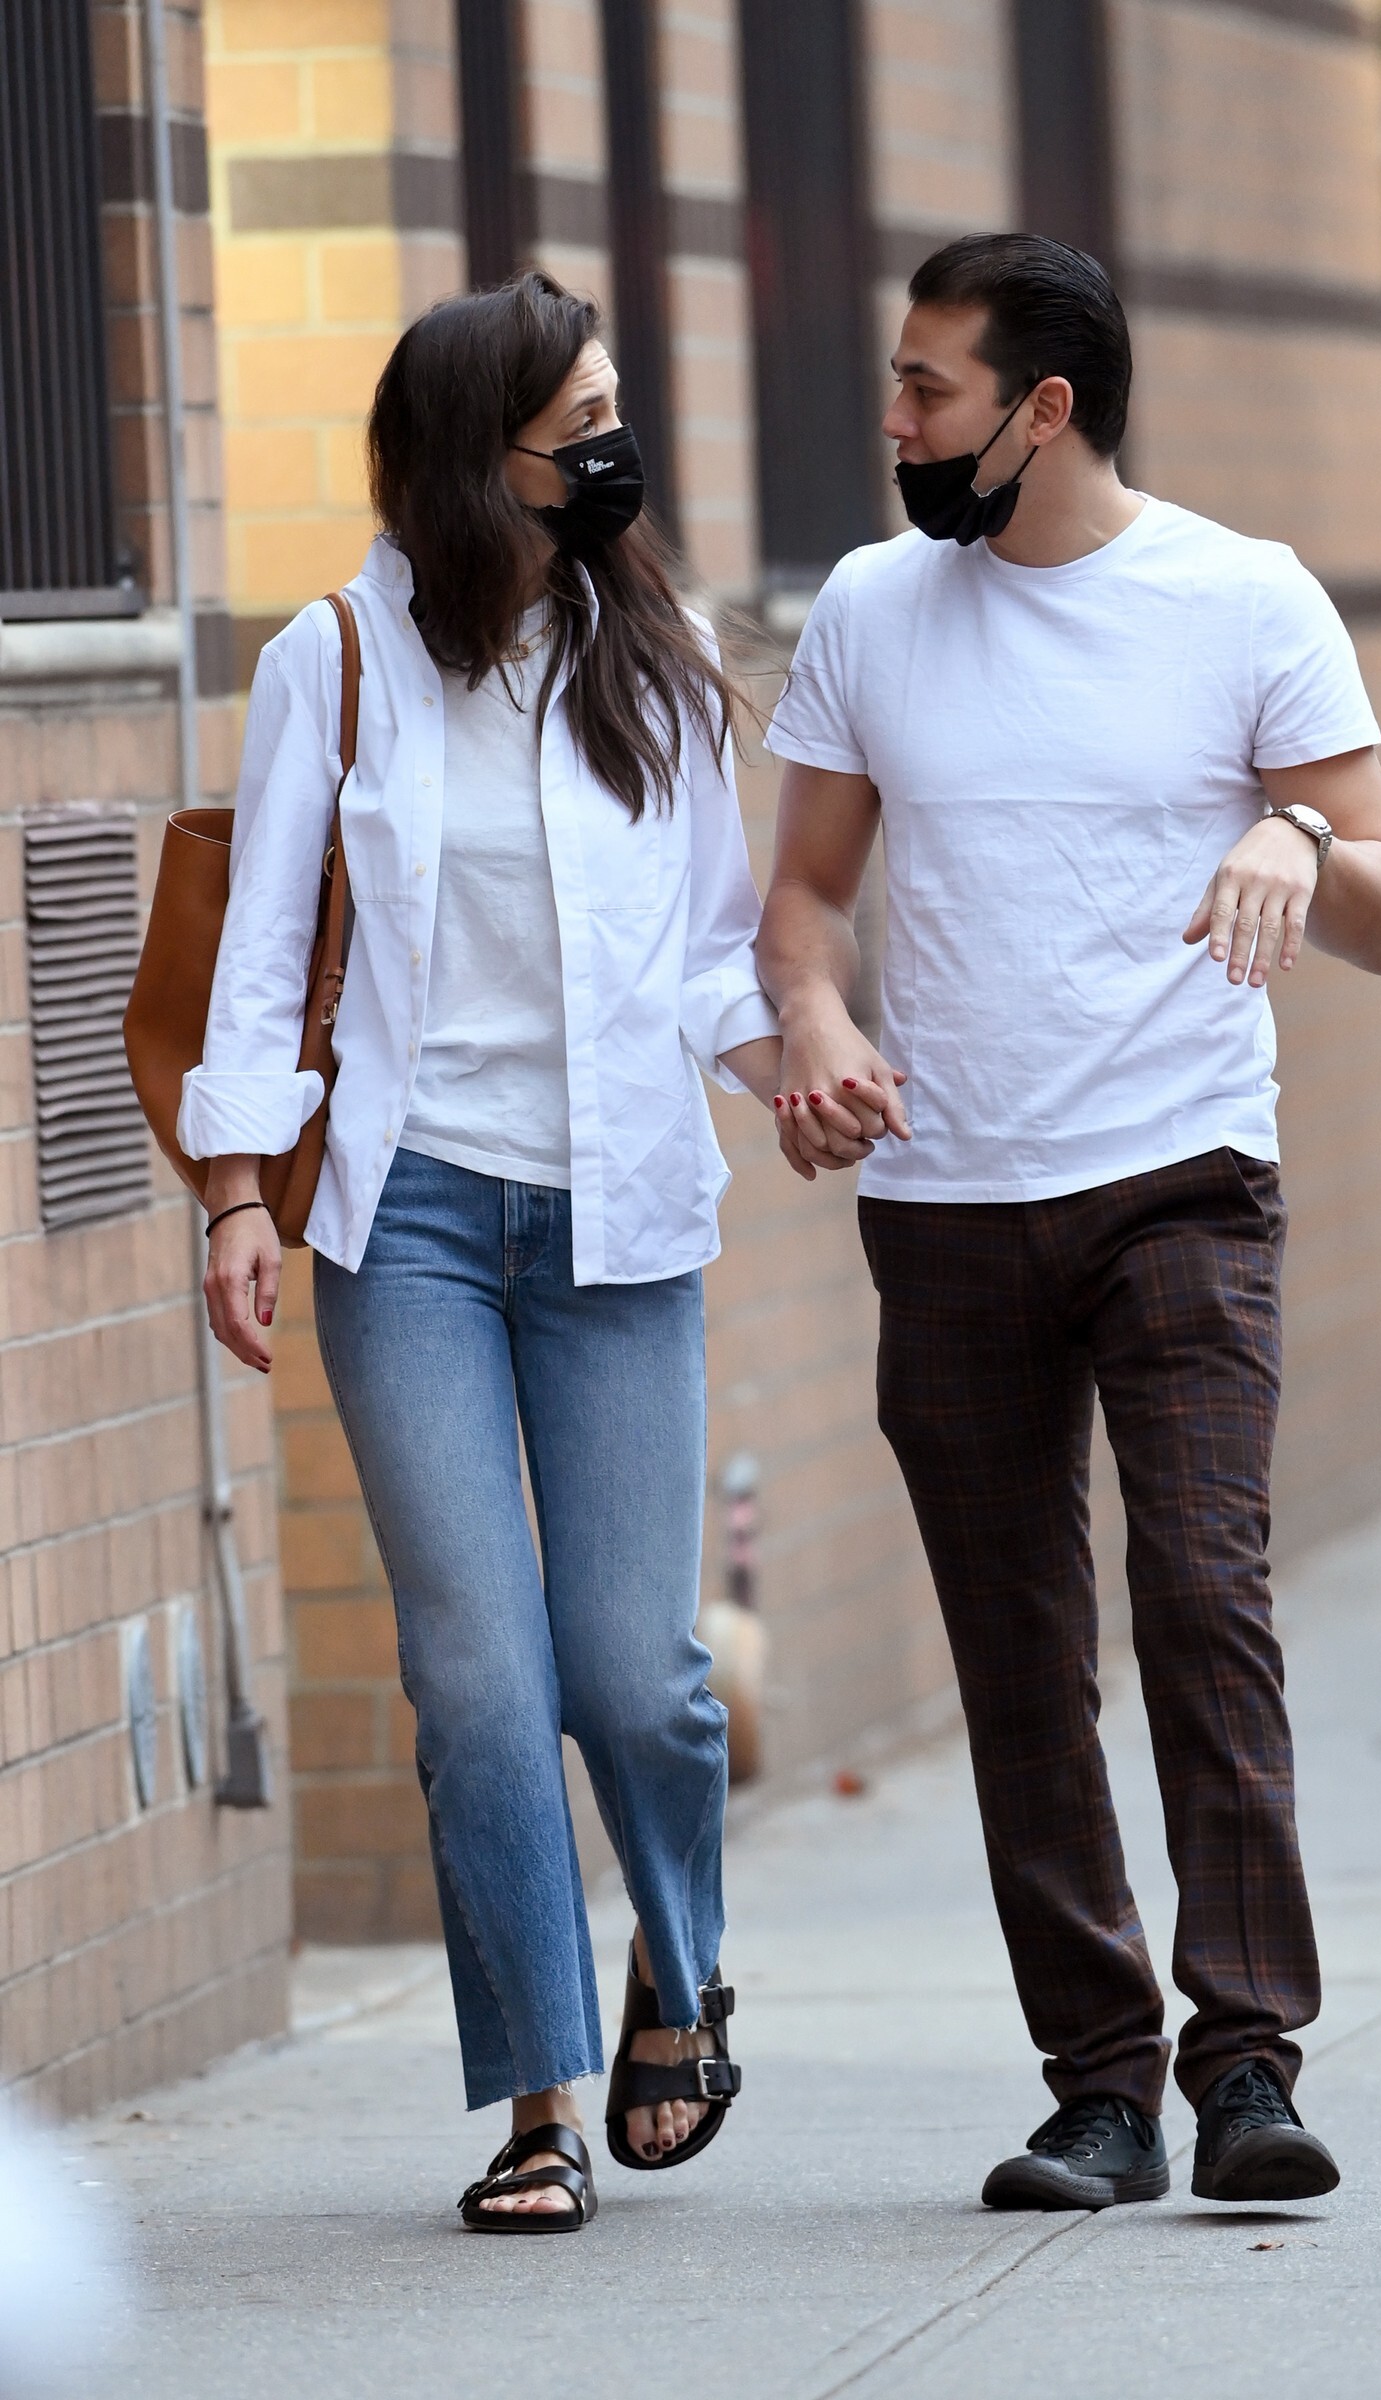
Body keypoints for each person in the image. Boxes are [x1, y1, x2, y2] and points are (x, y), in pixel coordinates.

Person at [757, 234, 1381, 2212]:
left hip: (1178, 1180)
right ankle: (1100, 2090)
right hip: (948, 1198)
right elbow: (801, 899)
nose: (893, 422)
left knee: (1203, 1596)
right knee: (1018, 1650)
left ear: (1040, 410)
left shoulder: (1240, 596)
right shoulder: (871, 609)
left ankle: (1247, 2066)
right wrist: (814, 1021)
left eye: (927, 389)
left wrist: (1295, 828)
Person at [182, 271, 781, 2232]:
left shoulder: (654, 649)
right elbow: (263, 948)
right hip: (413, 1217)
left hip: (618, 1215)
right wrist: (233, 1194)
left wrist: (797, 1062)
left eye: (612, 410)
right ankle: (537, 2096)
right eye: (574, 423)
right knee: (476, 1679)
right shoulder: (339, 661)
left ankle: (679, 1963)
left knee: (638, 1676)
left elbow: (712, 951)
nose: (611, 450)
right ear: (474, 456)